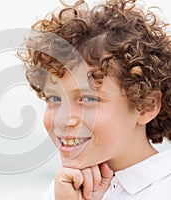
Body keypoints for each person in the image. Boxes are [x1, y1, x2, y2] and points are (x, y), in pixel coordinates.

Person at [18, 0, 171, 199]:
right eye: (54, 98)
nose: (64, 120)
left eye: (88, 99)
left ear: (146, 106)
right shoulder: (64, 190)